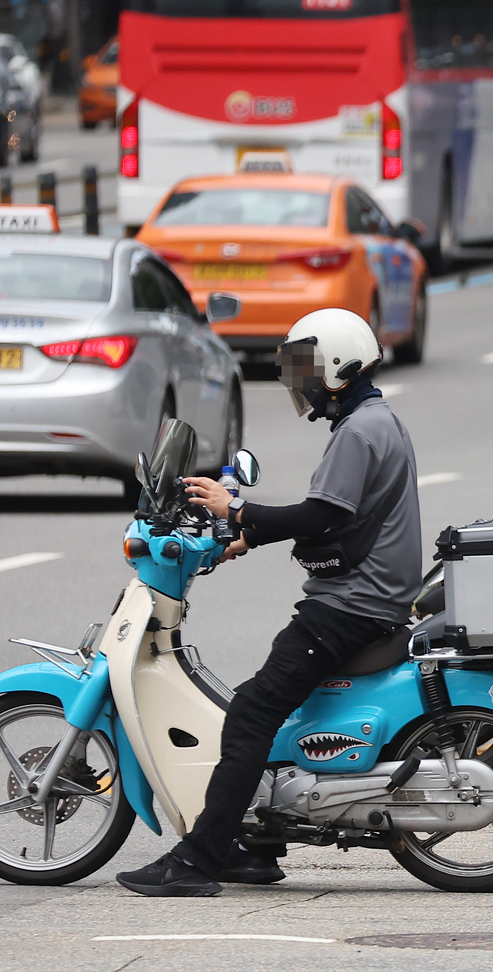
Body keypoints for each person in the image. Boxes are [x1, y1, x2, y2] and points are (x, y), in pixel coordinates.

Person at [115, 308, 422, 897]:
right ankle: (250, 848)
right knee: (264, 708)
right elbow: (342, 520)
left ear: (336, 367)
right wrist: (249, 537)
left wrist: (237, 512)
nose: (298, 386)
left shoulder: (359, 432)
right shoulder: (374, 420)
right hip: (367, 596)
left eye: (305, 371)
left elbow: (322, 515)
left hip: (351, 605)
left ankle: (201, 858)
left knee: (252, 711)